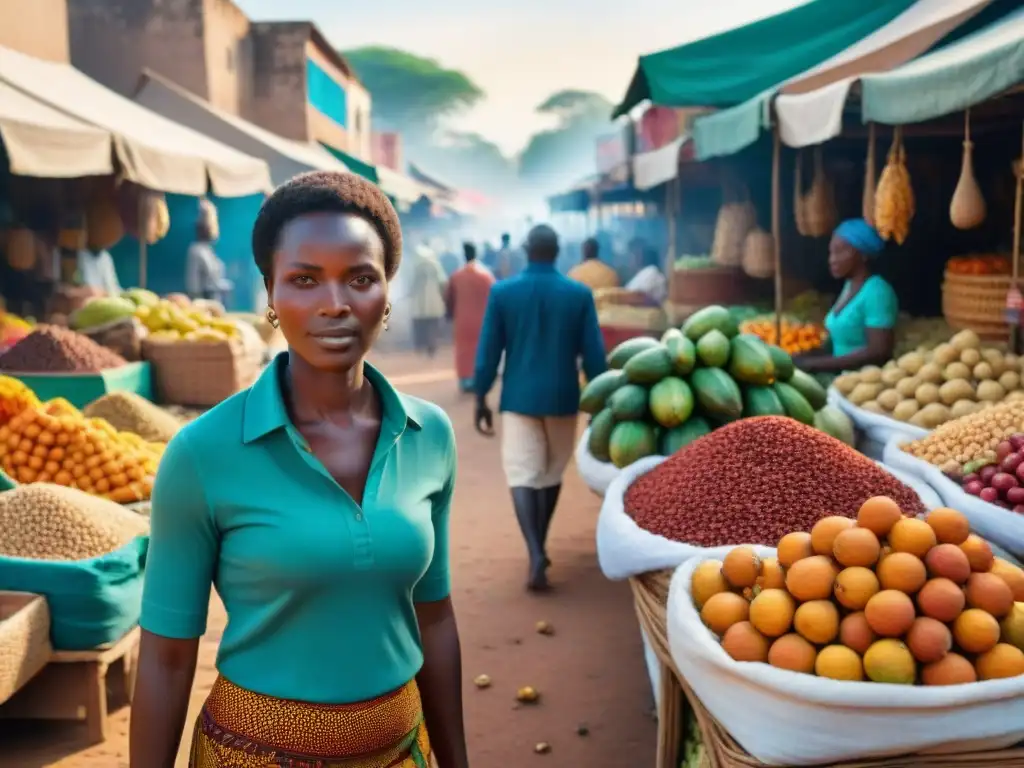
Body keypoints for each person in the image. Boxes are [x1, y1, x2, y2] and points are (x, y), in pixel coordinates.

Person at [130, 171, 468, 768]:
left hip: (400, 750)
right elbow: (166, 658)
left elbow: (435, 618)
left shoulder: (430, 436)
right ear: (269, 292)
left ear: (387, 292)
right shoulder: (202, 454)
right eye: (305, 280)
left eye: (360, 278)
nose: (334, 304)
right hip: (253, 753)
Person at [474, 224, 606, 591]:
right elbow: (594, 356)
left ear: (526, 249)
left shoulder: (502, 293)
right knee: (550, 474)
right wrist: (600, 402)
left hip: (518, 397)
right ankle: (539, 546)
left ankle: (535, 550)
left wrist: (481, 395)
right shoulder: (578, 294)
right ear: (558, 251)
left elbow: (488, 352)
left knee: (522, 474)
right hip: (564, 398)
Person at [796, 218, 897, 374]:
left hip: (864, 387)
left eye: (840, 251)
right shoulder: (849, 286)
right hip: (841, 382)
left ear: (863, 254)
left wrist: (814, 364)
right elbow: (839, 346)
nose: (832, 260)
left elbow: (878, 352)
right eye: (831, 252)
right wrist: (803, 356)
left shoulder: (877, 292)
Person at [446, 242, 495, 393]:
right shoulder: (486, 275)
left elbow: (449, 299)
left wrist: (450, 314)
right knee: (481, 349)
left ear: (464, 255)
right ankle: (480, 379)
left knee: (463, 350)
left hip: (462, 320)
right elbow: (494, 298)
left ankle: (465, 381)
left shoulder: (456, 275)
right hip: (483, 320)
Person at [409, 242, 448, 357]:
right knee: (433, 324)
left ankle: (422, 346)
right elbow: (442, 281)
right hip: (434, 300)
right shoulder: (435, 265)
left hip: (420, 301)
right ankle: (432, 347)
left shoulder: (417, 266)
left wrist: (411, 293)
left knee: (422, 325)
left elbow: (413, 283)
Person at [185, 219, 232, 302]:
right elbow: (193, 282)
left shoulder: (208, 250)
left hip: (214, 299)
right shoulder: (196, 250)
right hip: (203, 300)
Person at [624, 241, 668, 306]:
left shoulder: (651, 272)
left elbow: (638, 296)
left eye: (634, 254)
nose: (629, 258)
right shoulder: (642, 274)